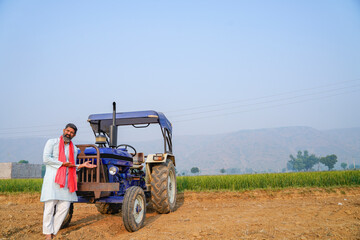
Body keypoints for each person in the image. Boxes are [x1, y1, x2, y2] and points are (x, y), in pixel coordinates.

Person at [40, 123, 96, 240]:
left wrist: (82, 165)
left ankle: (53, 232)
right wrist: (61, 163)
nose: (69, 133)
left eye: (72, 133)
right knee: (50, 207)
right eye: (68, 131)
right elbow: (46, 159)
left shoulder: (74, 149)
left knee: (64, 207)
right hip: (52, 179)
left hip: (66, 180)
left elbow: (71, 165)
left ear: (74, 135)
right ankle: (47, 234)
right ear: (63, 130)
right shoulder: (52, 142)